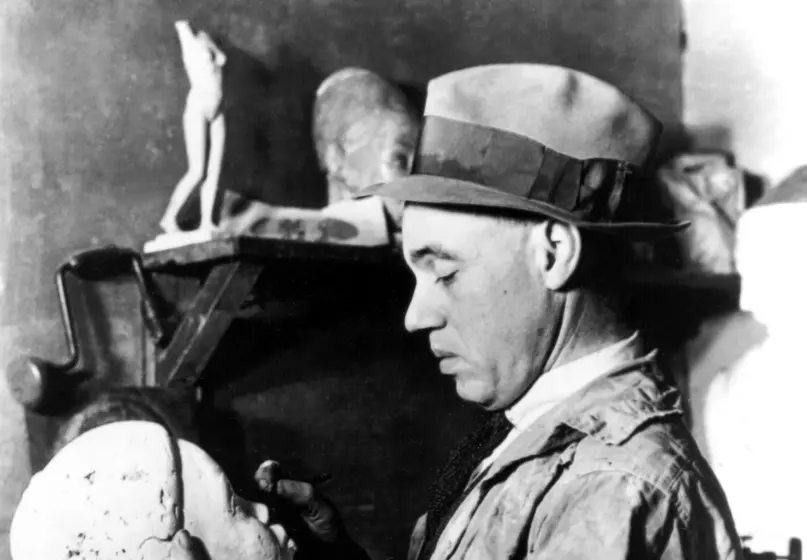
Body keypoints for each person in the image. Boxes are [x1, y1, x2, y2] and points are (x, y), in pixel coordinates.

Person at [267, 63, 745, 559]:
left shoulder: (611, 490)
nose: (415, 316)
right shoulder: (537, 436)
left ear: (554, 253)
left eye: (445, 272)